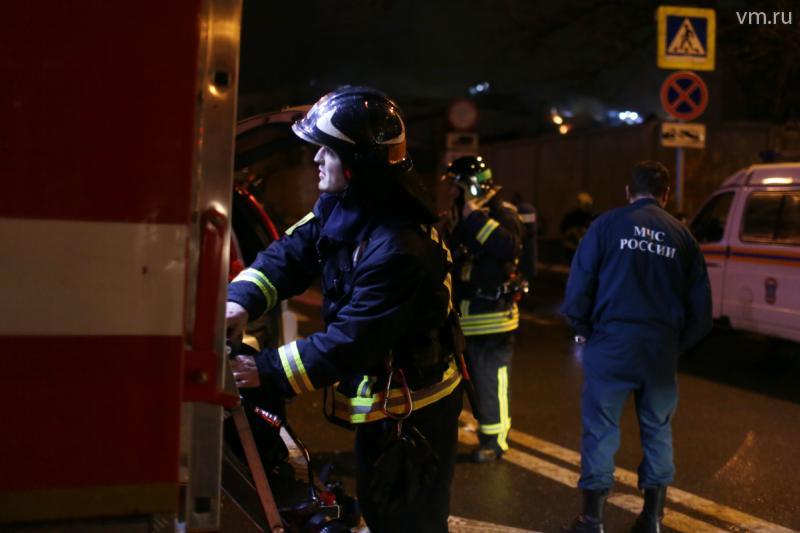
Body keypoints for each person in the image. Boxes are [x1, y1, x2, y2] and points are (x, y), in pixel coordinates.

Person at [225, 86, 463, 533]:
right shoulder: (347, 204)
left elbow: (355, 339)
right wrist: (241, 300)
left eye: (326, 152)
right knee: (378, 505)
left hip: (415, 415)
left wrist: (266, 371)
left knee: (407, 520)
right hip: (389, 408)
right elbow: (292, 252)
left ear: (357, 166)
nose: (315, 160)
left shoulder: (399, 245)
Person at [560, 161, 712, 533]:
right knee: (658, 429)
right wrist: (675, 346)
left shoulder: (606, 225)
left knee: (601, 428)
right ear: (665, 195)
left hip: (611, 343)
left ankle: (592, 518)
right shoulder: (683, 236)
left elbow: (579, 287)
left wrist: (582, 329)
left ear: (629, 192)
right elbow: (703, 313)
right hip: (659, 349)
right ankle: (652, 519)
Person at [441, 156, 524, 463]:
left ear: (469, 185)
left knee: (491, 380)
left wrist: (475, 219)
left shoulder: (502, 215)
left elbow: (509, 247)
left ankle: (494, 441)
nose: (451, 192)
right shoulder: (459, 216)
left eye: (455, 186)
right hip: (464, 318)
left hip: (492, 319)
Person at [560, 192, 595, 261]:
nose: (587, 208)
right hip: (572, 249)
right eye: (586, 206)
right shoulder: (570, 217)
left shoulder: (590, 217)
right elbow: (563, 230)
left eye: (588, 206)